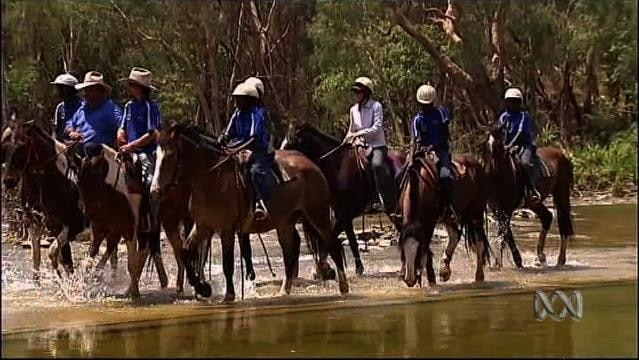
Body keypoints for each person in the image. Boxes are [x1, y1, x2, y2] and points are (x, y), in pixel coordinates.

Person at [220, 82, 275, 221]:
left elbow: (253, 137)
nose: (236, 101)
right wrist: (223, 138)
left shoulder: (257, 113)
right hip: (241, 148)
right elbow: (228, 132)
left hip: (258, 150)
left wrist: (238, 148)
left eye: (240, 98)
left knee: (255, 171)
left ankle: (262, 203)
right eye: (236, 98)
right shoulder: (237, 113)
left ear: (248, 99)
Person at [345, 76, 396, 213]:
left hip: (377, 145)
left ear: (366, 92)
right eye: (355, 92)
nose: (356, 95)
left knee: (377, 164)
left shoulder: (376, 106)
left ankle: (388, 200)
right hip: (359, 145)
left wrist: (358, 134)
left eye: (358, 92)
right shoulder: (353, 110)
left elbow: (377, 127)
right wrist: (346, 140)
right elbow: (351, 129)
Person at [411, 84, 456, 220]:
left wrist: (432, 146)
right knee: (401, 174)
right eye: (422, 104)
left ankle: (448, 208)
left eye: (427, 104)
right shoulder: (417, 119)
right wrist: (418, 146)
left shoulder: (441, 113)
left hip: (441, 150)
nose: (425, 107)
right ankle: (400, 207)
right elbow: (416, 137)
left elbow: (445, 134)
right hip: (422, 151)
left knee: (446, 176)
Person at [497, 87, 541, 203]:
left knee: (525, 163)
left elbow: (520, 132)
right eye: (509, 101)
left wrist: (510, 145)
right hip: (507, 146)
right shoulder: (503, 117)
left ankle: (531, 190)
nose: (512, 104)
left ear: (519, 103)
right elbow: (500, 132)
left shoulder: (523, 115)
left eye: (514, 101)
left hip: (524, 144)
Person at [65, 71, 122, 157]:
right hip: (79, 150)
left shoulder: (111, 110)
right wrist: (72, 132)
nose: (86, 93)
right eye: (85, 90)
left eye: (90, 90)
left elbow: (122, 127)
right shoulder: (82, 109)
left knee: (90, 147)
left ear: (100, 91)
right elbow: (69, 124)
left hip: (101, 156)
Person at [50, 73, 82, 141]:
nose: (59, 91)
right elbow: (56, 130)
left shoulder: (83, 107)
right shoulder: (60, 107)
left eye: (62, 88)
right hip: (63, 145)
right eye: (58, 88)